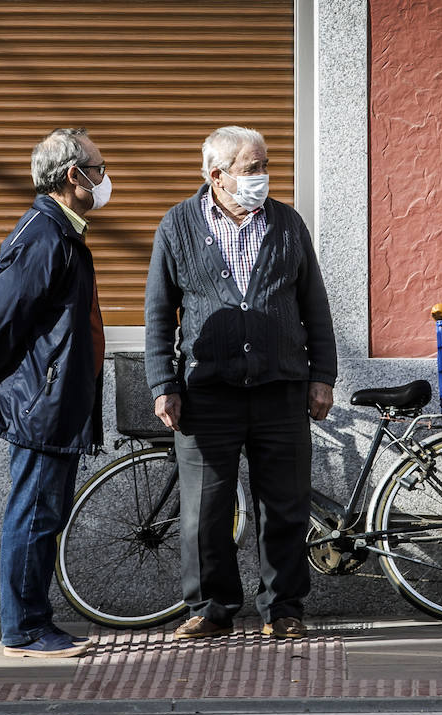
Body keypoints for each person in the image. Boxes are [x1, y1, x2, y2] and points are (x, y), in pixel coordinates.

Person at [144, 125, 337, 641]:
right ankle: (211, 607)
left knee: (286, 506)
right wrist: (163, 381)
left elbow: (314, 306)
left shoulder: (288, 224)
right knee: (205, 509)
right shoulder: (178, 225)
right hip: (208, 394)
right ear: (217, 175)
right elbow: (160, 314)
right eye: (252, 169)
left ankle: (285, 609)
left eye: (264, 166)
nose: (263, 177)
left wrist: (323, 376)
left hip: (281, 389)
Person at [0, 127, 111, 659]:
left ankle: (32, 620)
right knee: (34, 514)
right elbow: (2, 315)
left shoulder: (60, 232)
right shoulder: (43, 235)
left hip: (55, 399)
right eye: (97, 168)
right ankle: (24, 628)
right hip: (41, 402)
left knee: (43, 513)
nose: (104, 177)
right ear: (73, 176)